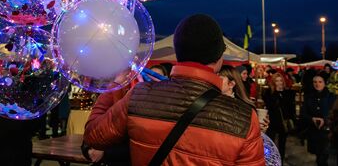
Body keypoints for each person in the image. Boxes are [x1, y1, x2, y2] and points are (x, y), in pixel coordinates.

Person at [83, 14, 265, 165]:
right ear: (219, 58)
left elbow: (93, 135)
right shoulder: (244, 118)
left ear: (177, 53)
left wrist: (116, 83)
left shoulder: (139, 96)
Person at [302, 74, 336, 165]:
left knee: (323, 158)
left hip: (327, 132)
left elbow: (334, 114)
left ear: (325, 83)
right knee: (318, 158)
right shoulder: (309, 97)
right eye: (315, 82)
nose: (317, 84)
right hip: (314, 131)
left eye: (320, 82)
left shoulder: (331, 97)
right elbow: (303, 114)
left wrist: (324, 120)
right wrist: (312, 118)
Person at [263, 72, 296, 164]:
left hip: (283, 122)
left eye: (281, 80)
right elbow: (270, 106)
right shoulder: (268, 93)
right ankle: (270, 161)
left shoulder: (288, 93)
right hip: (273, 121)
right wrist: (276, 93)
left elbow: (290, 108)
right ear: (273, 82)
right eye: (277, 81)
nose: (279, 83)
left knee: (282, 144)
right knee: (270, 143)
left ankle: (280, 161)